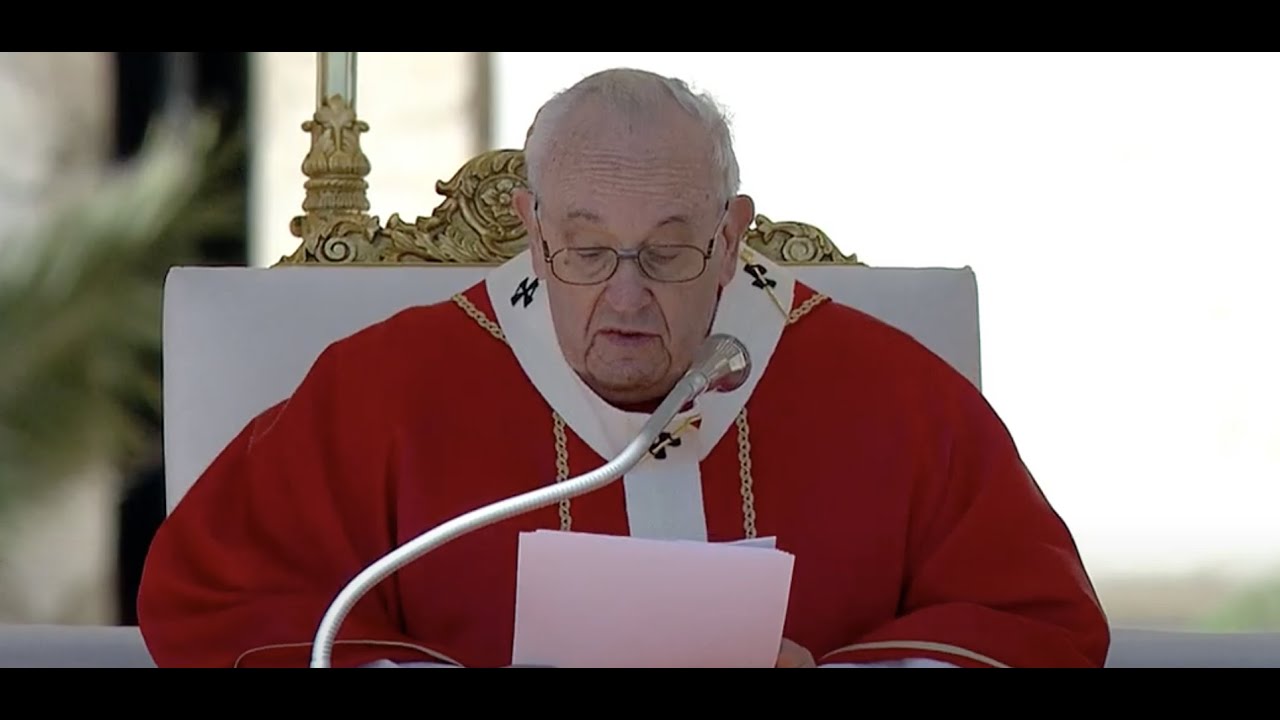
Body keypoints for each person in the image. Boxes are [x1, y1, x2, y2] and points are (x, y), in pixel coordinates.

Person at [135, 67, 1111, 668]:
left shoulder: (896, 398)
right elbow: (222, 604)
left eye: (669, 249)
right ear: (531, 232)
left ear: (731, 240)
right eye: (586, 249)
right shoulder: (381, 393)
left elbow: (1032, 621)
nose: (627, 294)